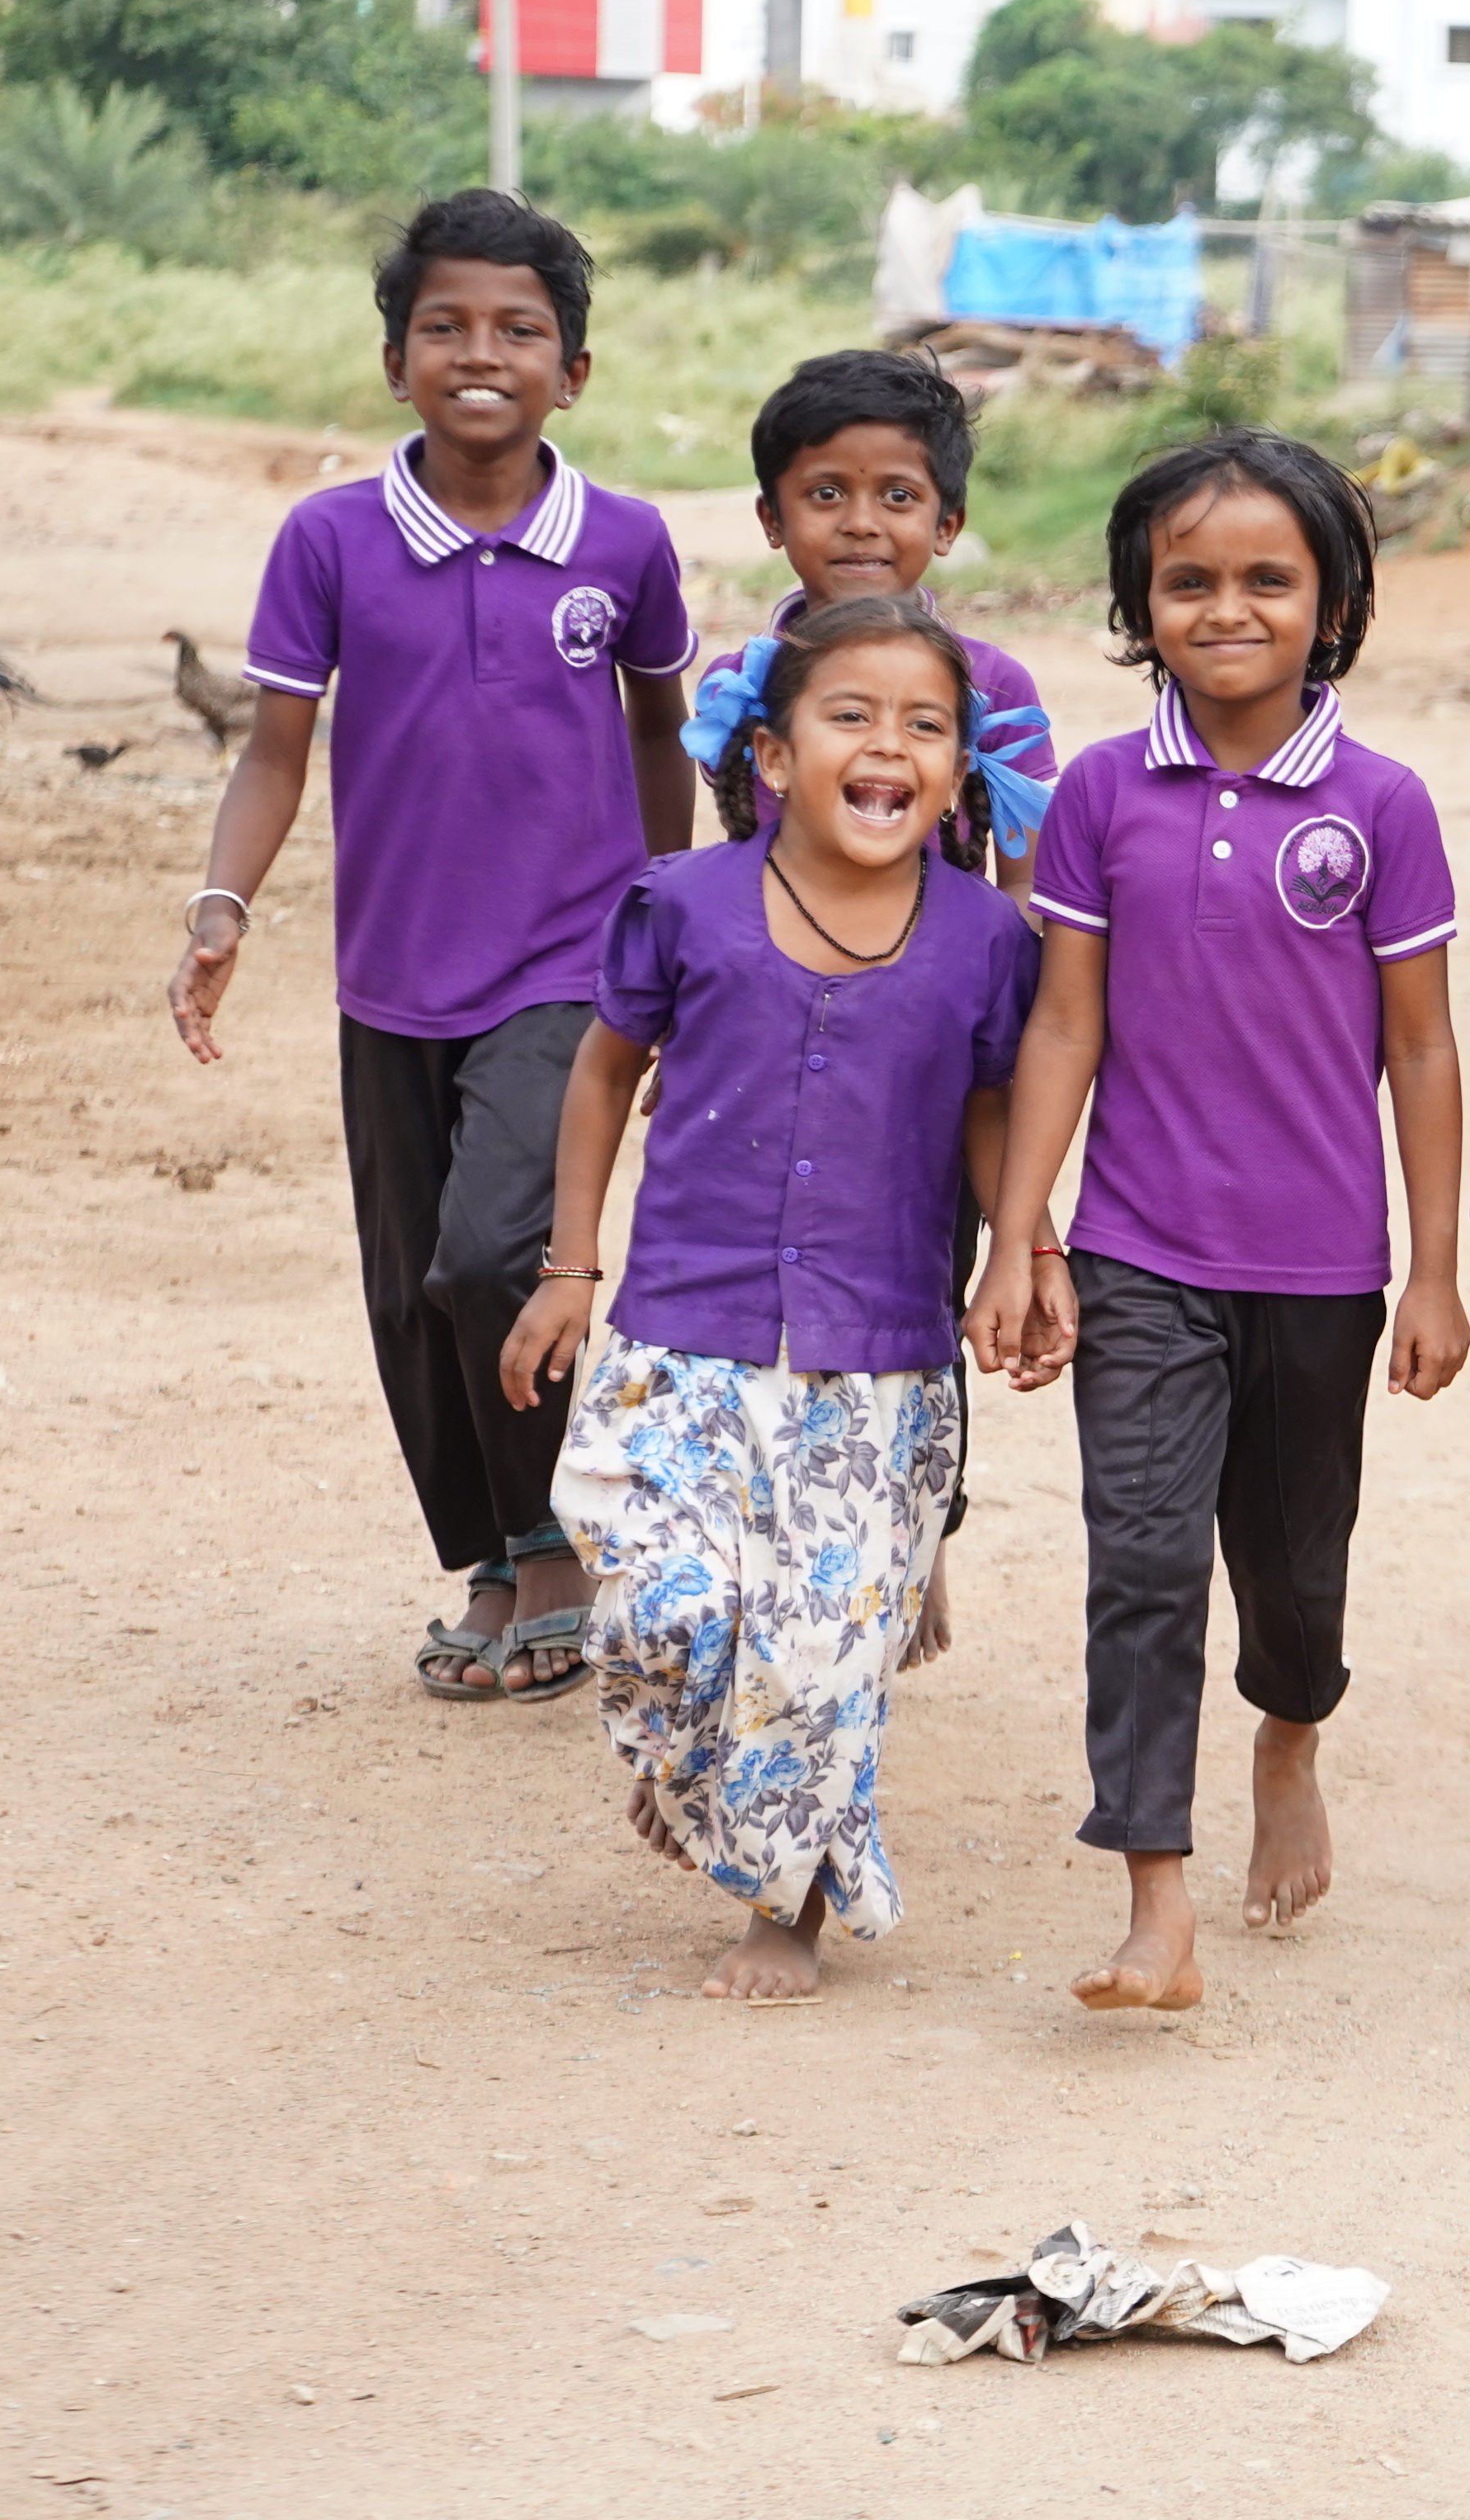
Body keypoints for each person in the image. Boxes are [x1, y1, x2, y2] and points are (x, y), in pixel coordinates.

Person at [170, 189, 696, 1704]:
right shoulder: (330, 538)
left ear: (572, 370)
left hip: (569, 967)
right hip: (390, 975)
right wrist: (223, 906)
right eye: (448, 327)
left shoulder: (627, 544)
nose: (483, 353)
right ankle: (490, 1559)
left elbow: (663, 735)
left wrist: (673, 931)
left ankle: (550, 1538)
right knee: (409, 1292)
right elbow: (276, 752)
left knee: (492, 1257)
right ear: (395, 358)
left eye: (520, 330)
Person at [971, 431, 1470, 2016]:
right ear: (1141, 603)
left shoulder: (1383, 806)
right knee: (1140, 1558)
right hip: (1140, 1252)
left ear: (1331, 606)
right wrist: (1020, 1231)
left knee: (1295, 1575)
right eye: (1189, 581)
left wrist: (1437, 1269)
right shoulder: (1103, 794)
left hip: (1322, 1266)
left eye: (1269, 579)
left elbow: (1420, 1046)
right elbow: (1063, 1030)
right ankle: (1155, 1897)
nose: (1227, 608)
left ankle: (1292, 1732)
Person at [499, 598, 1044, 2002]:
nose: (890, 747)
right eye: (850, 716)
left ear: (960, 772)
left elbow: (995, 1113)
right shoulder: (678, 903)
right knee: (660, 1619)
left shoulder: (988, 937)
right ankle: (700, 1773)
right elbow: (607, 1073)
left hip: (881, 1359)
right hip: (685, 1332)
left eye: (928, 726)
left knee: (817, 1655)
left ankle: (783, 1904)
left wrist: (1019, 1252)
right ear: (774, 755)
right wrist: (571, 1267)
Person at [696, 348, 1054, 906]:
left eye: (898, 496)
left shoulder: (996, 687)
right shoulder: (737, 687)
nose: (862, 524)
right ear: (773, 519)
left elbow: (1027, 884)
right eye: (827, 494)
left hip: (949, 980)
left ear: (947, 524)